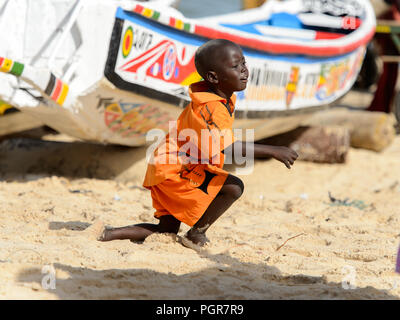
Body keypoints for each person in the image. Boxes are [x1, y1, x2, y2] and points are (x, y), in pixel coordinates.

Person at [91, 39, 298, 247]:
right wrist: (273, 150)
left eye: (243, 63)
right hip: (174, 168)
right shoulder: (212, 108)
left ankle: (108, 234)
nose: (244, 71)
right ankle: (197, 233)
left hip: (166, 164)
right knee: (233, 187)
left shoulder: (220, 97)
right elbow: (227, 147)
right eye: (236, 67)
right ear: (213, 77)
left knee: (166, 230)